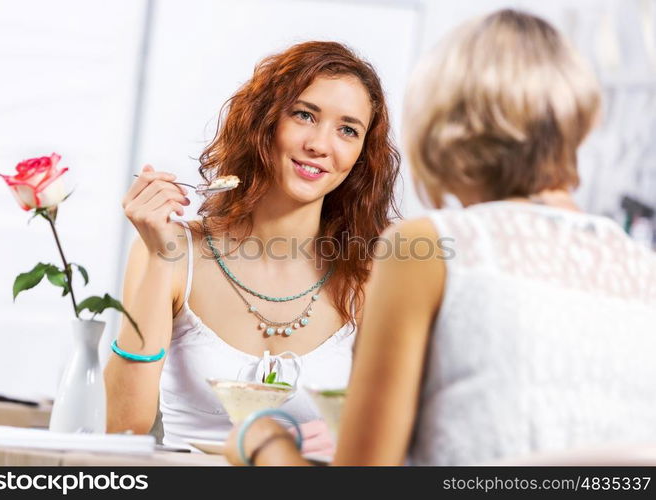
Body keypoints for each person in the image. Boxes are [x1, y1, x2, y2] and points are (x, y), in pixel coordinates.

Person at [225, 9, 656, 466]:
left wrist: (262, 440)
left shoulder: (425, 248)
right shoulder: (643, 269)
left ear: (444, 125)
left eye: (349, 128)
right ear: (579, 124)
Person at [105, 41, 401, 451]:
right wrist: (159, 259)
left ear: (361, 156)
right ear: (263, 122)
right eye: (304, 115)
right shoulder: (173, 251)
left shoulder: (370, 273)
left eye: (347, 130)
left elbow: (394, 436)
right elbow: (123, 430)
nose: (320, 144)